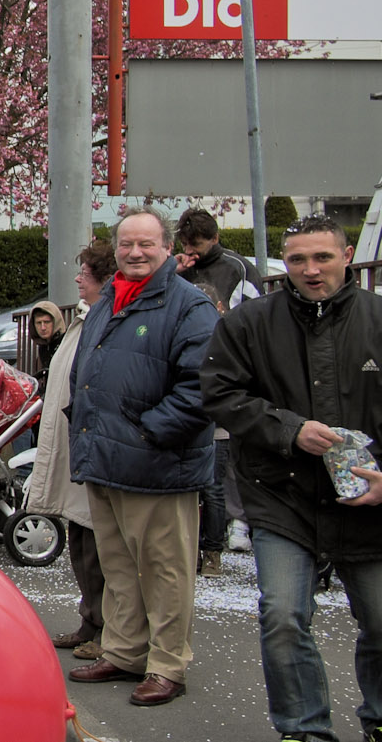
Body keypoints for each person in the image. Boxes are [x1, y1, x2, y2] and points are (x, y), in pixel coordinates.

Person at [199, 215, 382, 742]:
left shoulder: (376, 318)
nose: (310, 269)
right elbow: (220, 394)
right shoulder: (249, 323)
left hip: (367, 499)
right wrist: (290, 430)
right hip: (281, 495)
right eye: (298, 259)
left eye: (322, 257)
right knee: (282, 617)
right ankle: (303, 729)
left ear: (346, 256)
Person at [65, 207, 219, 708]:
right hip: (106, 460)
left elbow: (203, 388)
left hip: (157, 466)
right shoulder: (110, 298)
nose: (135, 253)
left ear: (168, 248)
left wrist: (149, 434)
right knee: (119, 567)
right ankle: (125, 651)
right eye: (127, 244)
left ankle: (167, 664)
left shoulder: (189, 306)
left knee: (164, 570)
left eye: (146, 244)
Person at [26, 241, 117, 662]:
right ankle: (89, 620)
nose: (78, 279)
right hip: (73, 444)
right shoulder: (85, 318)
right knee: (81, 540)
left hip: (91, 447)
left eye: (85, 273)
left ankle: (107, 626)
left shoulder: (108, 317)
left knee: (101, 546)